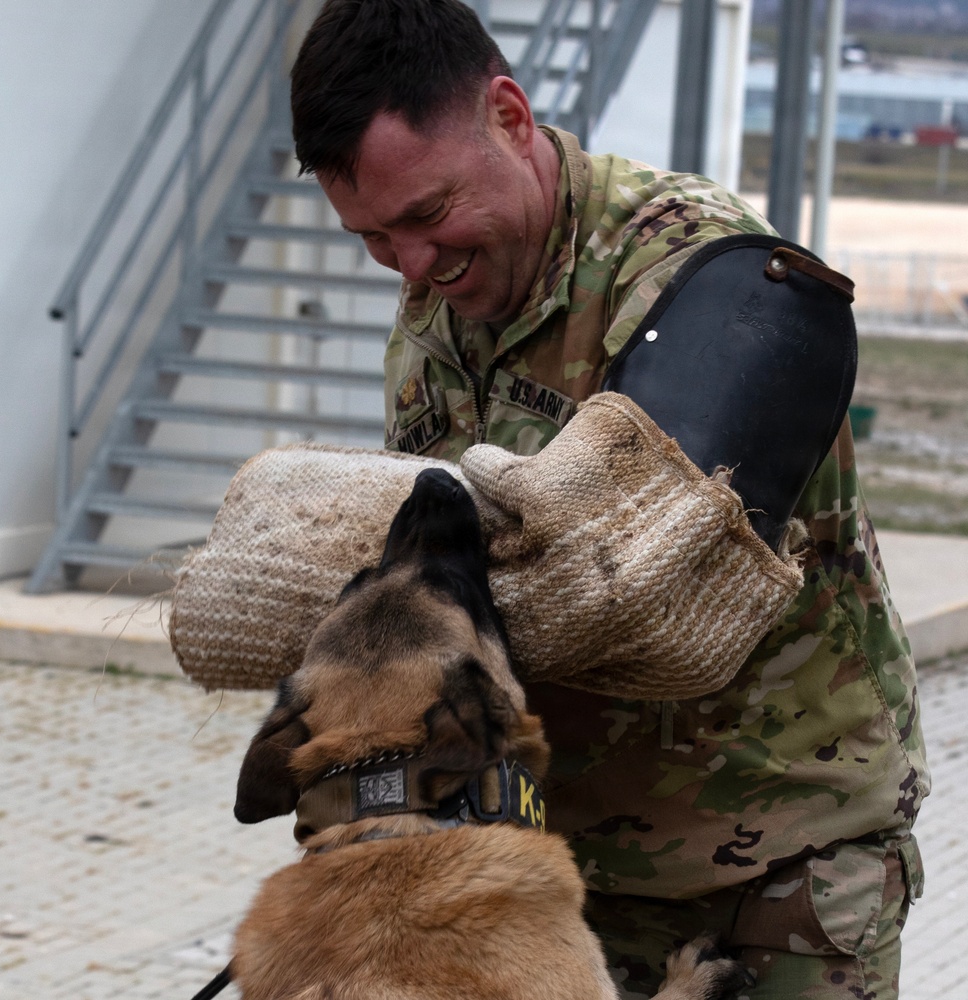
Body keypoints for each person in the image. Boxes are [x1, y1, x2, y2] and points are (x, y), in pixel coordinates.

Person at [288, 2, 929, 997]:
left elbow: (637, 589)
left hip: (770, 868)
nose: (411, 265)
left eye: (425, 213)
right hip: (552, 873)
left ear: (509, 116)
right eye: (371, 237)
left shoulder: (703, 279)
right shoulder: (439, 305)